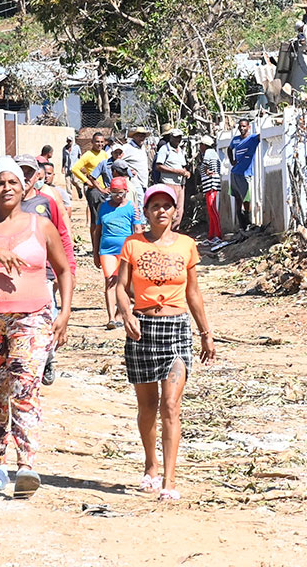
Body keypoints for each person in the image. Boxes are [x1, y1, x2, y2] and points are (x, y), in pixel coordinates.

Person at [0, 157, 72, 499]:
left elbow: (63, 269)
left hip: (31, 317)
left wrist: (64, 311)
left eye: (13, 183)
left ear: (25, 188)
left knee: (24, 386)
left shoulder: (41, 226)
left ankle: (26, 465)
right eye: (0, 184)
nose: (7, 188)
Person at [115, 185, 214, 500]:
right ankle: (151, 465)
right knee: (148, 406)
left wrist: (206, 332)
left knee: (171, 405)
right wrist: (126, 312)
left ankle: (170, 481)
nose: (161, 211)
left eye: (167, 206)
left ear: (174, 212)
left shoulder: (186, 246)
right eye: (155, 206)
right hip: (142, 329)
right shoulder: (133, 245)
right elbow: (120, 286)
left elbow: (193, 292)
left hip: (176, 328)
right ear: (145, 212)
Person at [13, 155, 76, 387]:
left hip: (44, 275)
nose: (26, 176)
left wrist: (69, 268)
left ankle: (47, 359)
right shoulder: (4, 202)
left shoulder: (46, 203)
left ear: (37, 174)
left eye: (30, 172)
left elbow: (62, 236)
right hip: (12, 277)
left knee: (47, 319)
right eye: (21, 171)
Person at [94, 177, 137, 331]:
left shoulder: (132, 208)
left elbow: (138, 230)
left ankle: (121, 314)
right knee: (110, 281)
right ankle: (111, 318)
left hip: (126, 251)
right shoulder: (103, 208)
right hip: (107, 250)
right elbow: (97, 231)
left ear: (126, 192)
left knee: (124, 283)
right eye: (114, 193)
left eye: (120, 193)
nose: (117, 197)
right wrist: (95, 252)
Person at [227, 118, 260, 232]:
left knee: (247, 199)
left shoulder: (252, 139)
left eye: (244, 126)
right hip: (235, 173)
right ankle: (241, 224)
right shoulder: (235, 140)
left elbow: (262, 136)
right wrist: (232, 161)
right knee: (237, 199)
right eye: (240, 126)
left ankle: (248, 222)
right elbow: (229, 149)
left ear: (248, 127)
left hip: (245, 174)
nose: (242, 128)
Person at [155, 127, 189, 229]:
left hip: (180, 184)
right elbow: (158, 166)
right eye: (175, 138)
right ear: (170, 137)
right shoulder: (165, 149)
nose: (177, 140)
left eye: (179, 138)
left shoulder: (181, 151)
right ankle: (166, 231)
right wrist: (176, 171)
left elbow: (183, 166)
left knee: (179, 210)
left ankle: (174, 231)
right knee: (169, 209)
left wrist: (186, 172)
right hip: (168, 183)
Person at [72, 132, 109, 224]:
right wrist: (87, 181)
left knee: (103, 218)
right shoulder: (88, 155)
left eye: (102, 142)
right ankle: (94, 238)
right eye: (97, 142)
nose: (100, 144)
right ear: (92, 142)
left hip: (104, 189)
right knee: (95, 219)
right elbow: (75, 169)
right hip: (94, 190)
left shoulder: (104, 154)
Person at [198, 135, 223, 245]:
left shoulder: (209, 153)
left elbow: (205, 165)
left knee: (213, 210)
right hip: (209, 185)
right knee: (210, 211)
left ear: (204, 145)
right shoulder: (211, 153)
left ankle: (218, 235)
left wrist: (206, 170)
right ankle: (211, 235)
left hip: (211, 184)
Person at [122, 127, 151, 218]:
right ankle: (140, 226)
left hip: (143, 182)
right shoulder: (127, 148)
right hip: (134, 181)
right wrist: (127, 170)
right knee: (139, 204)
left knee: (141, 203)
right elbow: (115, 160)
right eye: (139, 136)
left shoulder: (142, 148)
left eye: (143, 136)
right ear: (134, 136)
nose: (141, 138)